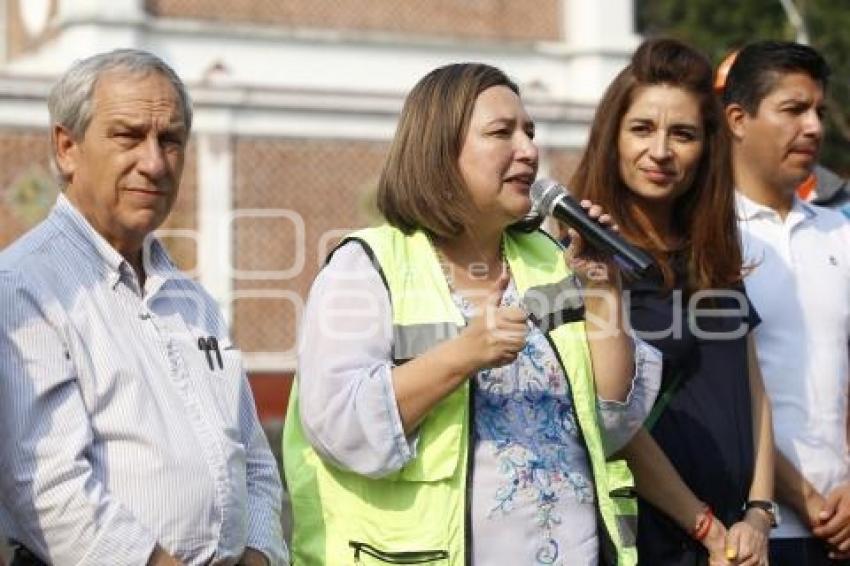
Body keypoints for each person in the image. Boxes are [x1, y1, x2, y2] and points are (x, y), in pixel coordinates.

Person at [282, 62, 662, 565]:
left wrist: (603, 290)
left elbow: (610, 423)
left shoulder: (548, 258)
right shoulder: (368, 265)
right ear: (439, 152)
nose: (527, 150)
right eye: (501, 133)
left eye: (529, 132)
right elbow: (341, 428)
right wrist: (463, 355)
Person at [0, 49, 287, 565]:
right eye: (128, 136)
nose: (154, 163)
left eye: (170, 140)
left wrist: (261, 553)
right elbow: (48, 487)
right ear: (67, 148)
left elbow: (255, 460)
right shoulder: (23, 289)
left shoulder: (191, 300)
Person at [570, 38, 775, 565]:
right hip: (651, 540)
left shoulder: (713, 255)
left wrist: (757, 514)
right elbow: (611, 418)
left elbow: (752, 392)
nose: (660, 151)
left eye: (682, 134)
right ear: (611, 137)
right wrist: (707, 528)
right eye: (642, 128)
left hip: (737, 543)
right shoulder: (586, 262)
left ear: (707, 146)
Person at [723, 40, 850, 565]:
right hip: (748, 533)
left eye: (819, 110)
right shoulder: (710, 241)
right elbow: (719, 394)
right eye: (793, 109)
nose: (814, 127)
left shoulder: (840, 232)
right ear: (738, 118)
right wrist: (805, 498)